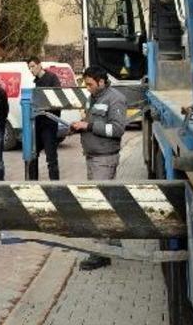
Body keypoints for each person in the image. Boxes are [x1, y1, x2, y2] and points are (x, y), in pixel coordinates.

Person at [71, 65, 127, 271]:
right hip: (94, 157)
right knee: (104, 201)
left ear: (102, 81)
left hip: (104, 159)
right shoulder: (94, 97)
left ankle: (100, 253)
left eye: (90, 84)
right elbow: (92, 120)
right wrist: (79, 126)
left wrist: (89, 126)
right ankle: (112, 241)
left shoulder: (115, 98)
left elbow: (118, 129)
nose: (87, 88)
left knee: (98, 205)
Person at [27, 57, 63, 180]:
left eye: (32, 66)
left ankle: (55, 186)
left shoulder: (52, 78)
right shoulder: (35, 82)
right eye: (29, 68)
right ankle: (33, 184)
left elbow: (58, 99)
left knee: (51, 158)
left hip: (49, 123)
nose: (31, 69)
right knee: (32, 154)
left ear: (39, 65)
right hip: (37, 123)